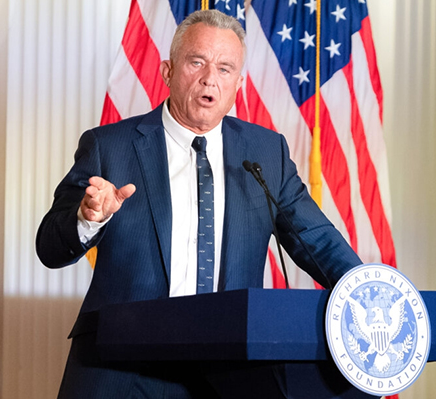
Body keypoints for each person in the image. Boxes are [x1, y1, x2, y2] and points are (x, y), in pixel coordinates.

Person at [36, 9, 365, 399]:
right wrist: (87, 218)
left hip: (226, 371)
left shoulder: (266, 152)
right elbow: (50, 249)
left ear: (238, 84)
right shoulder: (110, 147)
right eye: (197, 62)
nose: (211, 78)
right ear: (167, 71)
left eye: (225, 68)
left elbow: (317, 240)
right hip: (120, 366)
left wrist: (370, 295)